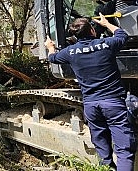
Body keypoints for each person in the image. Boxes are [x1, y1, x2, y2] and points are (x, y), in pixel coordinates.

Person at [45, 15, 136, 170]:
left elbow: (52, 58)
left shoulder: (70, 52)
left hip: (91, 106)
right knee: (124, 150)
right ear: (93, 31)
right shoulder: (107, 44)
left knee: (102, 149)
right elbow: (122, 35)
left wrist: (50, 46)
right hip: (113, 103)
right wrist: (107, 23)